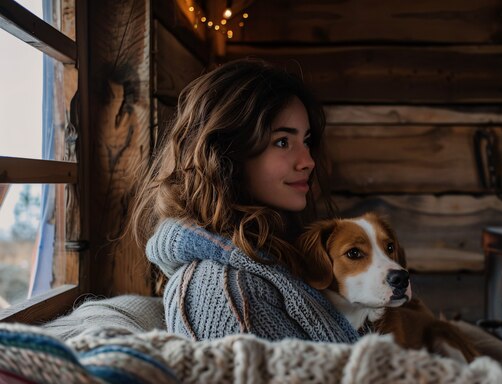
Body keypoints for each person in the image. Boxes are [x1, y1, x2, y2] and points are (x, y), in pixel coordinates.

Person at [129, 58, 359, 343]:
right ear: (227, 152)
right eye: (282, 142)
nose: (308, 161)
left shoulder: (274, 256)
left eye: (307, 141)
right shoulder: (224, 293)